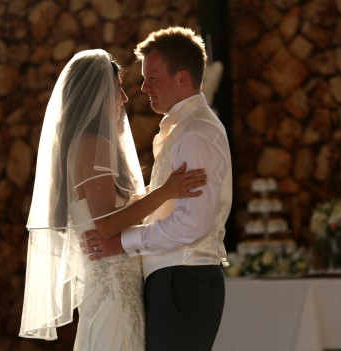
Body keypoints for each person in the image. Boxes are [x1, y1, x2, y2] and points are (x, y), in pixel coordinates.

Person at [19, 49, 207, 350]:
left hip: (116, 293)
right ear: (95, 94)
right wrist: (166, 191)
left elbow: (109, 213)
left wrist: (152, 193)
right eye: (117, 88)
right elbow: (106, 224)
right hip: (114, 297)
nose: (124, 97)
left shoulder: (84, 144)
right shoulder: (93, 144)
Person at [85, 26, 233, 351]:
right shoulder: (182, 129)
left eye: (152, 78)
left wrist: (121, 242)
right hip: (175, 279)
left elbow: (191, 225)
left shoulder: (195, 133)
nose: (142, 87)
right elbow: (162, 204)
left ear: (181, 78)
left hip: (184, 279)